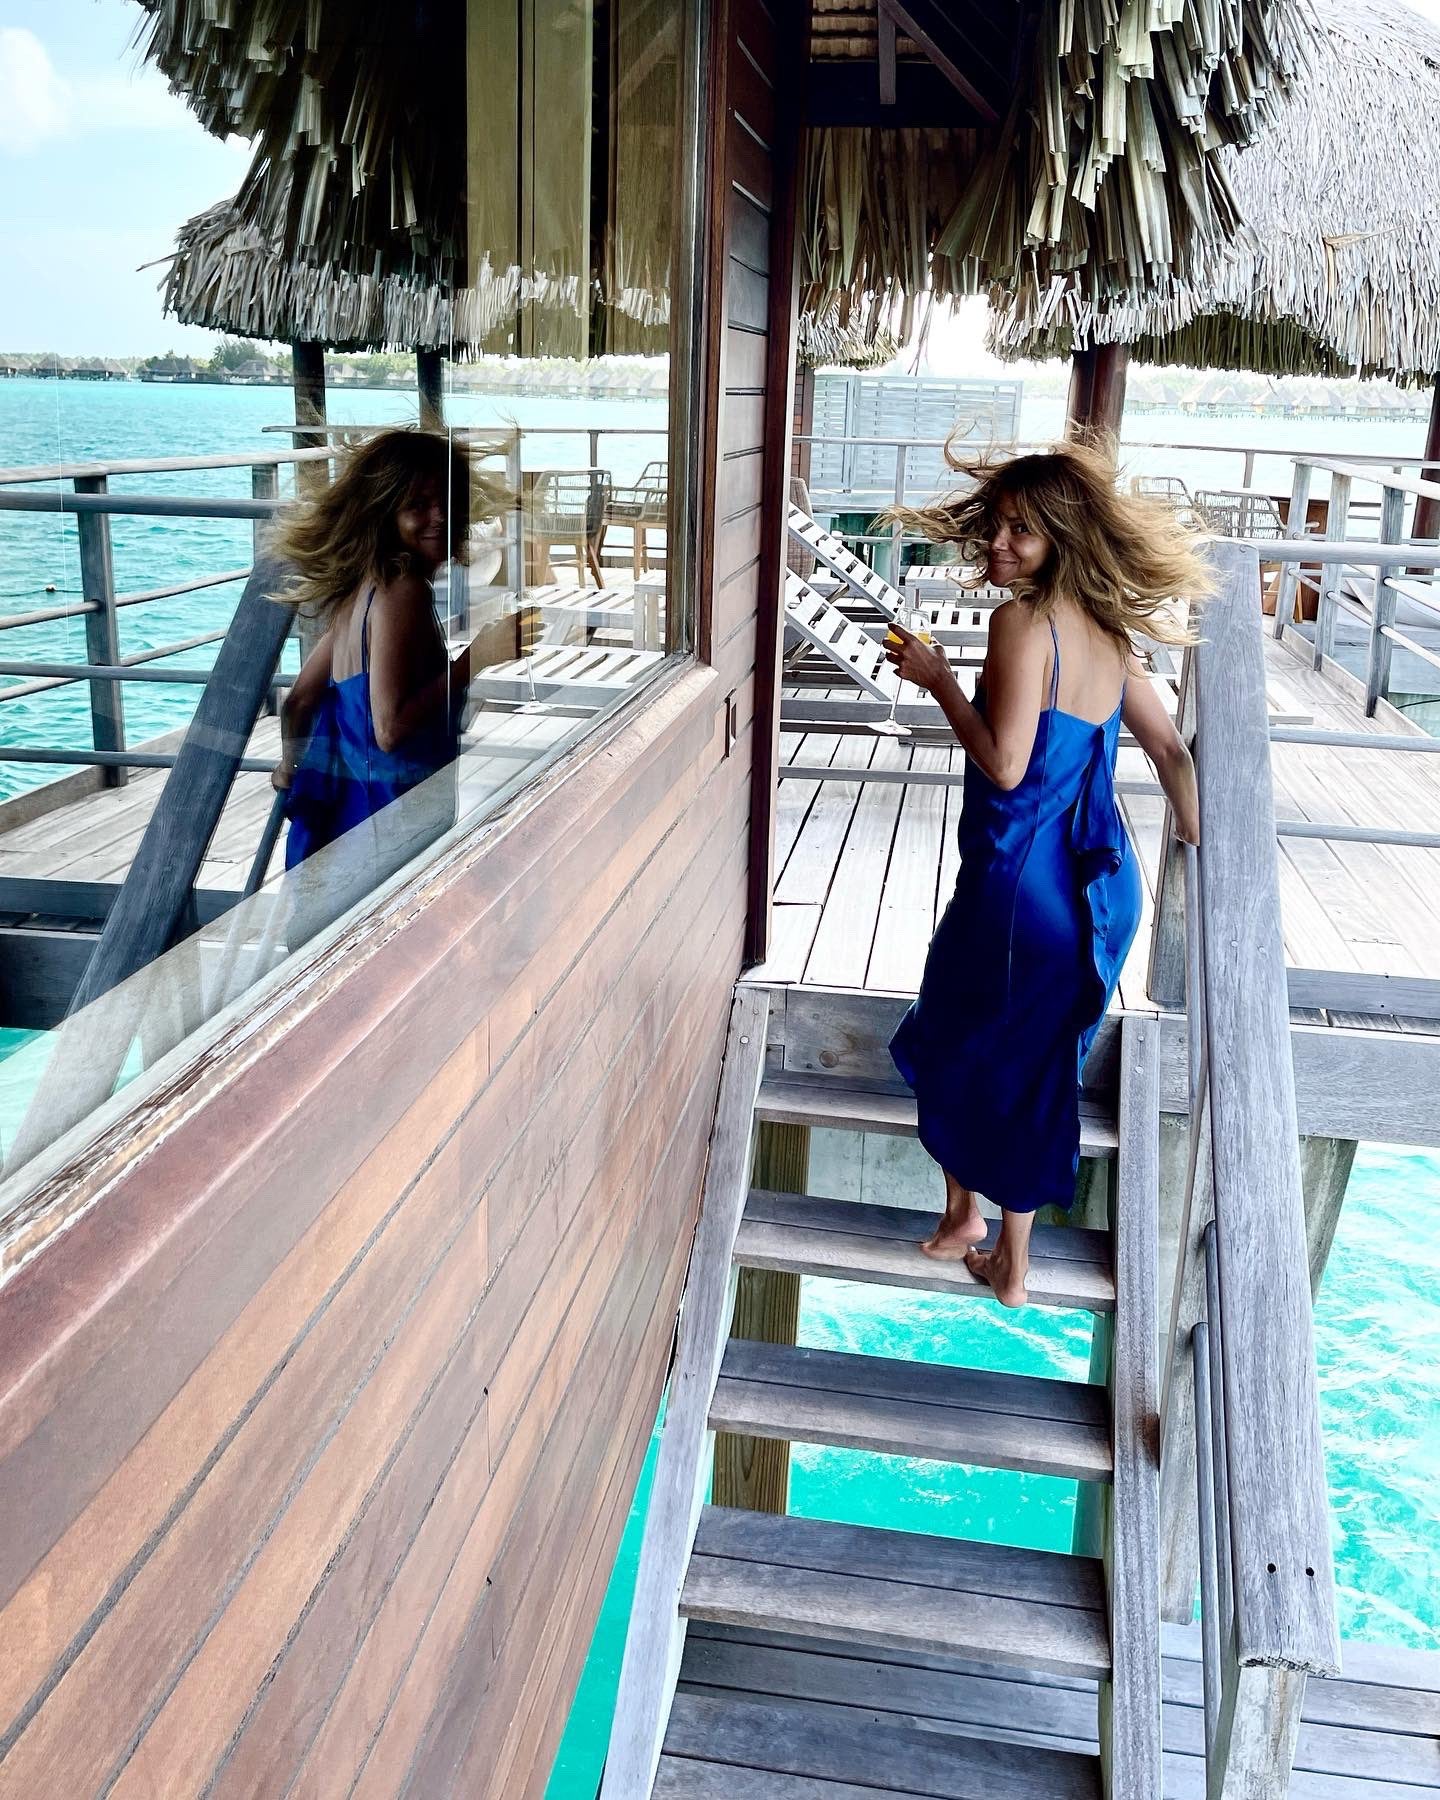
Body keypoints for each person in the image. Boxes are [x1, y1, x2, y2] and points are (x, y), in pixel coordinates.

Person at [883, 439, 1206, 1307]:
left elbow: (1006, 765)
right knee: (1035, 1062)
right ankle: (1003, 1255)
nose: (998, 544)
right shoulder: (1110, 632)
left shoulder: (1023, 623)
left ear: (1062, 535)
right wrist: (1196, 840)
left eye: (1021, 531)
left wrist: (939, 681)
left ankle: (970, 1223)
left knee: (946, 1035)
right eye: (996, 526)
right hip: (1096, 890)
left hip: (1017, 890)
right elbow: (1171, 752)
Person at [269, 429, 510, 901]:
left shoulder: (363, 590)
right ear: (384, 515)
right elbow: (390, 728)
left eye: (447, 502)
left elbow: (298, 701)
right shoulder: (403, 589)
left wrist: (290, 764)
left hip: (346, 828)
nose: (439, 516)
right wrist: (479, 656)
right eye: (417, 505)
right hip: (391, 822)